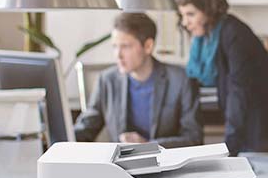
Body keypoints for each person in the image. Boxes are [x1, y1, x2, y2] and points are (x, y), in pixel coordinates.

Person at [177, 0, 268, 156]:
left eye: (190, 14)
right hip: (248, 113)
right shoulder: (208, 38)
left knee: (260, 171)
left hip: (267, 116)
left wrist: (230, 145)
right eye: (182, 15)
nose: (185, 22)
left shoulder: (233, 33)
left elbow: (239, 90)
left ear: (208, 10)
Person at [74, 12, 202, 148]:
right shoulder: (107, 80)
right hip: (120, 167)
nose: (118, 55)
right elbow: (86, 129)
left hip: (166, 164)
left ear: (148, 46)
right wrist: (54, 143)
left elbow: (193, 138)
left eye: (125, 46)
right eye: (115, 46)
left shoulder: (181, 80)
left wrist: (148, 146)